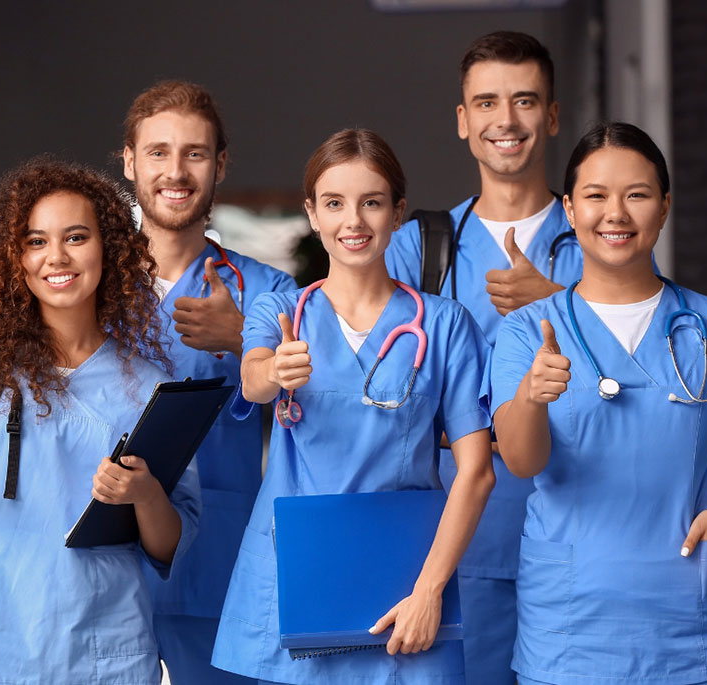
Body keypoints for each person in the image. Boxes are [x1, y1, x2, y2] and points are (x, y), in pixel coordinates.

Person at [491, 122, 707, 684]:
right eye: (596, 196)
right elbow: (522, 462)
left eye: (637, 194)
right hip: (571, 630)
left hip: (694, 624)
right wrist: (532, 396)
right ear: (570, 210)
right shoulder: (528, 332)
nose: (616, 214)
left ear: (664, 206)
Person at [0, 159, 200, 683]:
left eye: (76, 237)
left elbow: (172, 546)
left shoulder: (147, 387)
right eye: (35, 242)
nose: (57, 257)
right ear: (14, 258)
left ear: (110, 249)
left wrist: (145, 495)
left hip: (105, 650)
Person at [211, 129, 496, 684]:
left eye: (372, 202)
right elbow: (252, 383)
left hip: (405, 581)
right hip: (300, 577)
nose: (354, 222)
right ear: (312, 215)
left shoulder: (443, 326)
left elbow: (477, 472)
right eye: (335, 204)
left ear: (398, 213)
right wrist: (274, 370)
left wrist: (429, 591)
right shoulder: (279, 312)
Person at [383, 30, 578, 683]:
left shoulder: (597, 242)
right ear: (464, 121)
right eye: (488, 102)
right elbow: (362, 367)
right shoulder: (423, 247)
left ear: (551, 116)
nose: (507, 120)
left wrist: (553, 302)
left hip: (578, 539)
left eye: (526, 101)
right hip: (459, 543)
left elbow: (642, 367)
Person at [120, 80, 298, 684]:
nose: (176, 171)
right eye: (157, 152)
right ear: (129, 162)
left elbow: (327, 412)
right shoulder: (85, 288)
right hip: (105, 575)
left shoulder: (271, 296)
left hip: (220, 568)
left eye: (195, 153)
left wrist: (242, 340)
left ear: (220, 164)